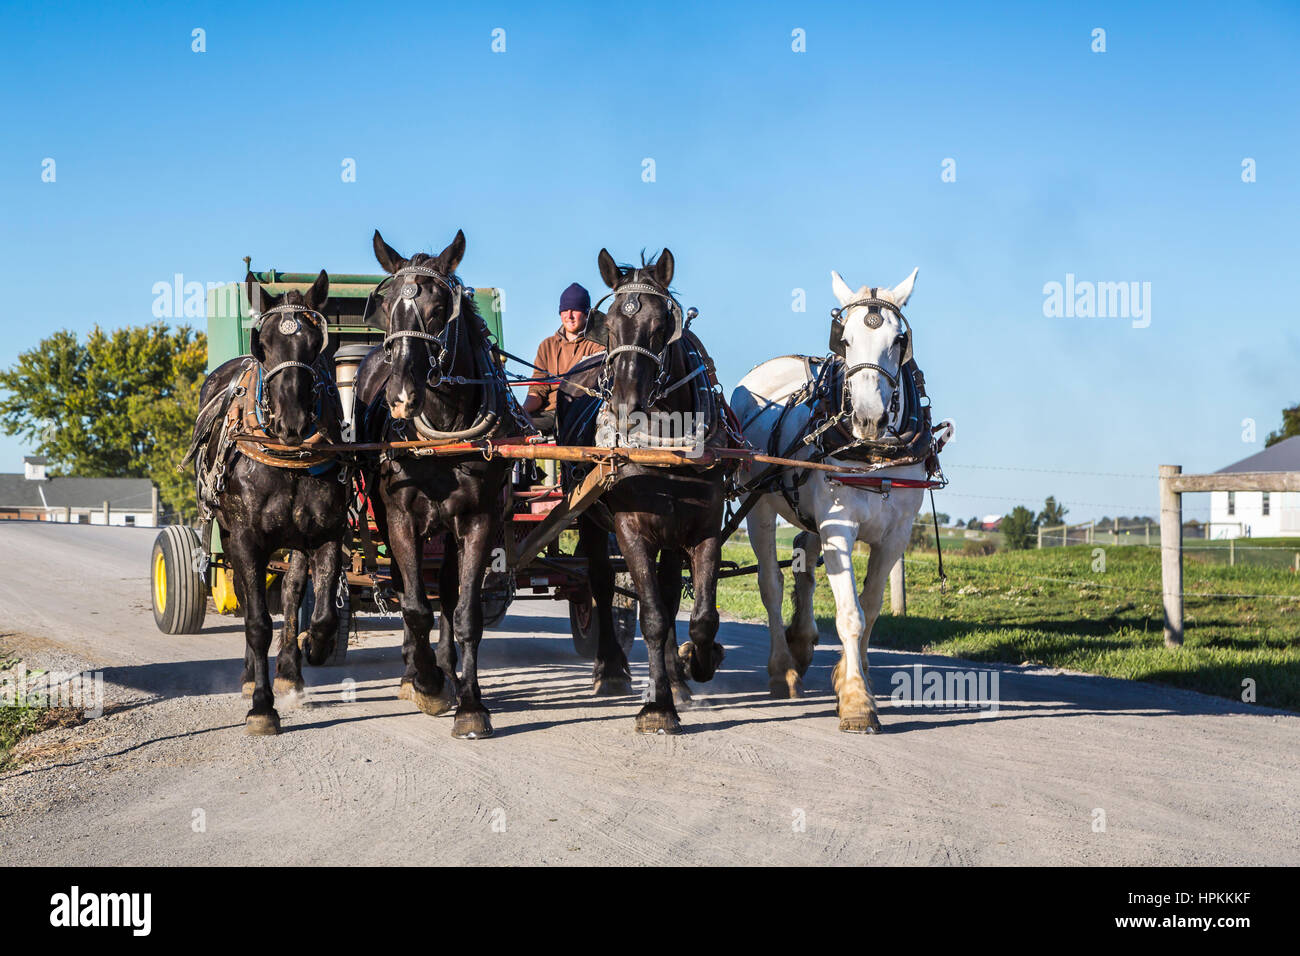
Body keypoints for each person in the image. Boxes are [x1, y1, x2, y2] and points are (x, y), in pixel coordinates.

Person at [522, 282, 605, 434]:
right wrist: (521, 411)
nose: (569, 316)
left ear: (586, 313)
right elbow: (538, 389)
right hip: (550, 413)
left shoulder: (598, 345)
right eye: (565, 310)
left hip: (582, 412)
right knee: (517, 425)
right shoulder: (546, 346)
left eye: (575, 310)